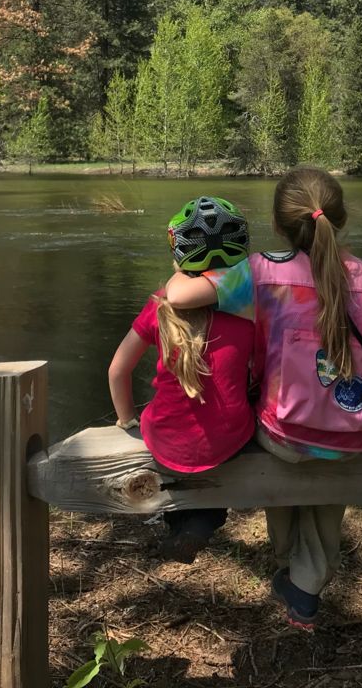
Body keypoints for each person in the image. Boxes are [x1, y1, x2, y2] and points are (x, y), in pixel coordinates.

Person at [165, 165, 362, 628]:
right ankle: (306, 582)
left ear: (278, 225)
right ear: (341, 219)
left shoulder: (259, 273)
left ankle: (278, 555)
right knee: (329, 461)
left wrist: (181, 263)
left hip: (282, 435)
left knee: (274, 430)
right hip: (355, 438)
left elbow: (178, 296)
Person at [108, 195, 255, 563]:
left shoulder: (160, 302)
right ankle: (202, 521)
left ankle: (181, 527)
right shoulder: (251, 308)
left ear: (179, 254)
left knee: (169, 431)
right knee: (232, 424)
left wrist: (127, 419)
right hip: (228, 441)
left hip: (166, 439)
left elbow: (117, 370)